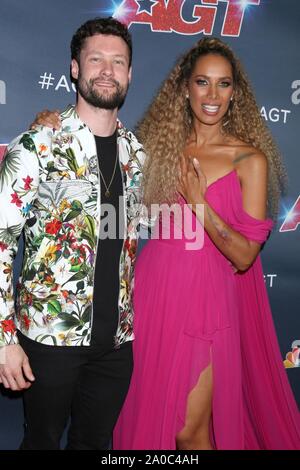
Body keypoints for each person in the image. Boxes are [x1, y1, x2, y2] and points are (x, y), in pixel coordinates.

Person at [30, 39, 300, 450]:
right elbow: (100, 154)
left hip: (209, 304)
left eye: (224, 84)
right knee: (144, 416)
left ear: (235, 92)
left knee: (189, 431)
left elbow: (245, 255)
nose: (212, 95)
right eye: (202, 82)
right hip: (150, 296)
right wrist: (53, 124)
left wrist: (199, 203)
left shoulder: (250, 160)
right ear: (184, 87)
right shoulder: (153, 148)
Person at [0, 17, 146, 450]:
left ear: (130, 73)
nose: (107, 69)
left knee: (96, 442)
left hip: (116, 343)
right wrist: (4, 339)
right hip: (50, 337)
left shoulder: (137, 154)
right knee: (41, 441)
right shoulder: (38, 145)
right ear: (75, 69)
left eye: (118, 61)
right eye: (95, 59)